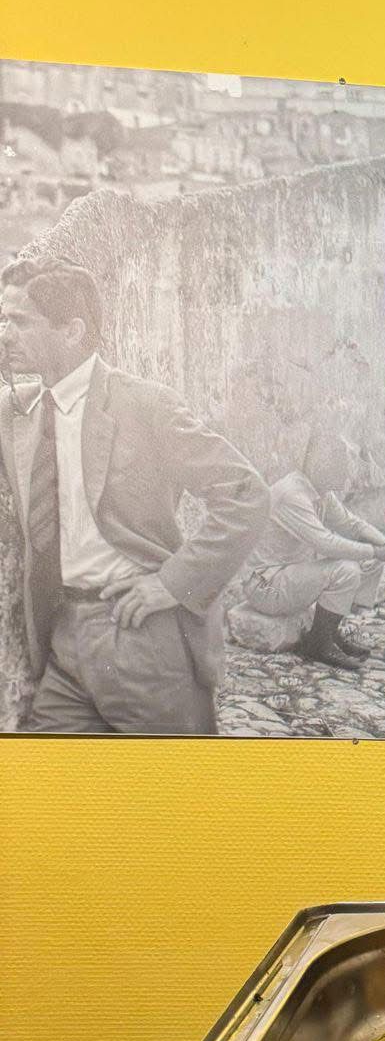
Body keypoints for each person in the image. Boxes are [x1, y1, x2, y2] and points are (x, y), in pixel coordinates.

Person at [0, 255, 270, 736]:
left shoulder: (145, 405)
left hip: (143, 637)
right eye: (2, 319)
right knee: (52, 777)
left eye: (19, 321)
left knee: (170, 780)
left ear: (71, 331)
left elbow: (246, 495)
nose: (4, 334)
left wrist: (173, 583)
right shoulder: (18, 410)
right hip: (63, 643)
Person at [235, 429, 385, 670]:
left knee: (369, 561)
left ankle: (329, 630)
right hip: (265, 586)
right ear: (320, 464)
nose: (346, 473)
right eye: (341, 465)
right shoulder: (292, 494)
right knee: (346, 569)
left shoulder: (319, 492)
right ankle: (318, 644)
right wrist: (377, 551)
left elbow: (352, 525)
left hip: (288, 576)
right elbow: (325, 542)